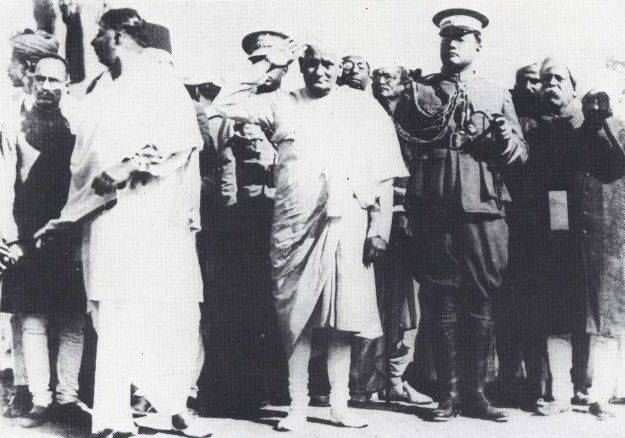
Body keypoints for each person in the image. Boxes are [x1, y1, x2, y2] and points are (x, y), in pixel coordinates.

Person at [215, 41, 407, 430]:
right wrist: (270, 63)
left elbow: (383, 172)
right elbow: (223, 105)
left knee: (343, 316)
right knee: (295, 317)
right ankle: (297, 405)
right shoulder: (281, 102)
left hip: (347, 224)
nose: (320, 71)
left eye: (328, 64)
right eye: (311, 64)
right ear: (300, 66)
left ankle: (339, 404)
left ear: (339, 67)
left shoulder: (362, 106)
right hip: (293, 227)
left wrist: (379, 228)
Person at [39, 9, 205, 437]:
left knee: (162, 311)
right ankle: (113, 419)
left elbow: (180, 140)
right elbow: (86, 163)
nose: (95, 42)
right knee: (110, 314)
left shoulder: (159, 80)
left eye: (99, 33)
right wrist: (67, 217)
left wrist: (129, 165)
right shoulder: (99, 90)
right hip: (106, 224)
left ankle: (173, 405)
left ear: (118, 35)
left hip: (151, 218)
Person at [393, 8, 527, 421]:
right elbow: (401, 151)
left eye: (462, 36)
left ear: (478, 44)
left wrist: (505, 141)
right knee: (440, 298)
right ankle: (447, 394)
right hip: (434, 208)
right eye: (446, 35)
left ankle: (476, 394)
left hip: (484, 209)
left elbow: (521, 155)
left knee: (482, 298)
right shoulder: (419, 93)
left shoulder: (497, 94)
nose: (452, 42)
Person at [520, 57, 625, 419]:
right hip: (555, 236)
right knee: (558, 313)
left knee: (597, 315)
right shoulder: (537, 130)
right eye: (546, 80)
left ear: (573, 88)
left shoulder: (594, 124)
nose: (551, 86)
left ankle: (595, 392)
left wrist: (602, 122)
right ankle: (561, 393)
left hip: (597, 236)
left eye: (559, 80)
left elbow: (614, 168)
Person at [0, 54, 88, 428]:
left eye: (57, 81)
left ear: (67, 83)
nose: (49, 88)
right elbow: (5, 182)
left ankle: (68, 398)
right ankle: (40, 399)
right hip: (28, 232)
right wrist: (8, 237)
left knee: (72, 319)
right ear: (31, 81)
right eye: (42, 80)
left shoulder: (80, 123)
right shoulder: (14, 126)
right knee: (32, 318)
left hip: (70, 230)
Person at [1, 27, 60, 421]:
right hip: (10, 224)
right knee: (17, 314)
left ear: (27, 67)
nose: (7, 68)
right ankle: (22, 387)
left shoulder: (38, 116)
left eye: (13, 61)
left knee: (35, 313)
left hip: (32, 225)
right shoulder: (9, 108)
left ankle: (41, 391)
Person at [368, 65, 433, 404]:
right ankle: (368, 380)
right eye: (377, 77)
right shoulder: (363, 118)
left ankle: (397, 378)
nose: (382, 83)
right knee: (376, 300)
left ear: (405, 84)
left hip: (414, 222)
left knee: (409, 305)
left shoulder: (417, 120)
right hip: (375, 220)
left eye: (390, 77)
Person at [494, 62, 552, 407]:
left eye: (537, 82)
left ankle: (537, 384)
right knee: (505, 304)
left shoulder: (551, 122)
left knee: (536, 308)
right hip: (508, 218)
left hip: (541, 226)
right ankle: (507, 377)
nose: (532, 88)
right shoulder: (508, 119)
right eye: (526, 82)